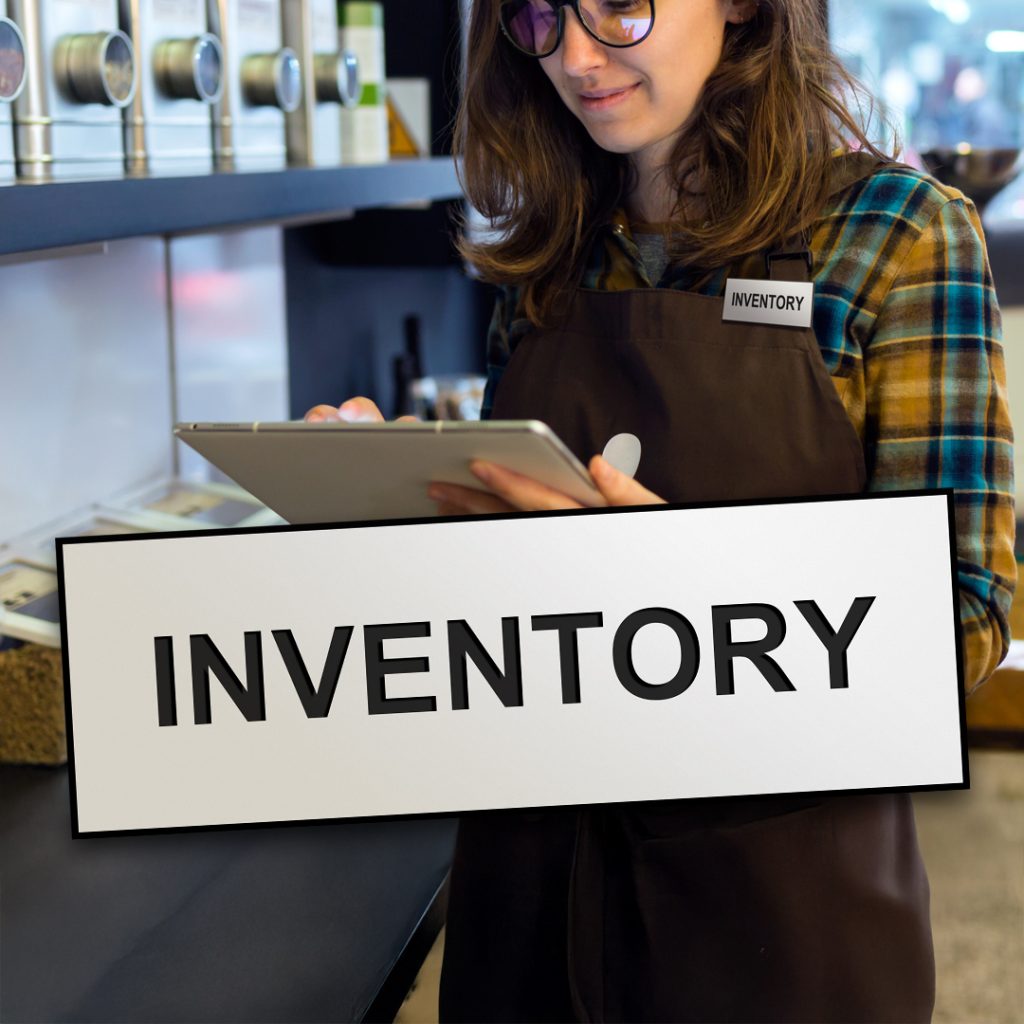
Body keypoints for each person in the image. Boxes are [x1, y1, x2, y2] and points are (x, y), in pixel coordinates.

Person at [307, 0, 1016, 1019]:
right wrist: (386, 524)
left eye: (622, 7)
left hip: (777, 916)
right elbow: (509, 628)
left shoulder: (895, 236)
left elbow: (959, 620)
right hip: (529, 899)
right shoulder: (554, 243)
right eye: (542, 17)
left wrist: (665, 580)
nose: (576, 57)